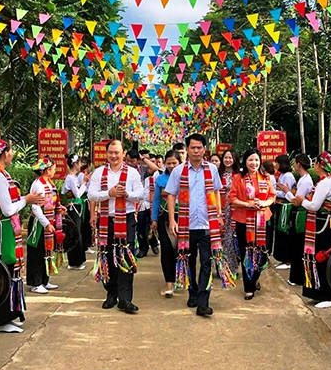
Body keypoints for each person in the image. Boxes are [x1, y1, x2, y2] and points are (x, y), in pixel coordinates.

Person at [166, 133, 234, 316]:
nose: (196, 151)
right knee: (188, 261)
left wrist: (218, 214)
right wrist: (172, 219)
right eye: (193, 147)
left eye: (199, 147)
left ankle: (203, 301)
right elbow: (171, 194)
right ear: (187, 149)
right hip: (186, 225)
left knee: (206, 262)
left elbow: (216, 191)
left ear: (204, 149)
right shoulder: (179, 171)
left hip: (206, 224)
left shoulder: (211, 169)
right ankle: (192, 292)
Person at [0, 138, 45, 333]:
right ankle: (1, 320)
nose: (12, 154)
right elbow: (8, 208)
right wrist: (27, 199)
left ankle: (10, 315)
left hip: (11, 228)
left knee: (12, 271)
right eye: (10, 151)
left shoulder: (4, 174)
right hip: (3, 229)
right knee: (4, 271)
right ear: (5, 153)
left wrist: (25, 200)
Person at [88, 140, 145, 313]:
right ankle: (111, 294)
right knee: (107, 257)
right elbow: (91, 194)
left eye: (117, 152)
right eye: (111, 152)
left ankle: (125, 298)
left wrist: (127, 194)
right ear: (106, 153)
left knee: (125, 257)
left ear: (123, 153)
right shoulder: (99, 172)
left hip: (126, 219)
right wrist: (109, 194)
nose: (114, 156)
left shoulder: (132, 173)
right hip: (106, 219)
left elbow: (141, 194)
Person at [291, 152, 331, 308]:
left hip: (321, 223)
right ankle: (317, 292)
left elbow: (314, 206)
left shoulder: (326, 182)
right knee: (313, 256)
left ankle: (327, 294)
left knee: (321, 257)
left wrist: (301, 201)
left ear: (320, 164)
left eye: (317, 162)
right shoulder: (325, 181)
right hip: (318, 222)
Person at [229, 148, 276, 300]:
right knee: (247, 253)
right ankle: (249, 287)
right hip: (244, 220)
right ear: (245, 161)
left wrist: (263, 203)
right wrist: (247, 205)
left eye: (256, 160)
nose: (253, 163)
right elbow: (232, 198)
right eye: (250, 160)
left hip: (263, 220)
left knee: (262, 253)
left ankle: (255, 277)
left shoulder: (265, 177)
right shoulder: (238, 178)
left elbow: (272, 196)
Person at [26, 156, 67, 294]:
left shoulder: (49, 183)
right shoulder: (38, 184)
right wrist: (46, 223)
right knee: (37, 252)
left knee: (47, 251)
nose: (55, 171)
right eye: (54, 169)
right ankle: (36, 282)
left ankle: (44, 280)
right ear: (47, 170)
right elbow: (35, 207)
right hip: (39, 223)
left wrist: (59, 209)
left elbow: (51, 203)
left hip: (48, 221)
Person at [281, 155, 315, 287]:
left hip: (302, 214)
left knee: (298, 246)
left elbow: (296, 201)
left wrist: (286, 192)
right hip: (300, 214)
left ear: (299, 164)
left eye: (295, 162)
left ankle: (298, 277)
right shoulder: (303, 179)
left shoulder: (305, 181)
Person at [151, 150, 181, 296]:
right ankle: (169, 283)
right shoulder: (160, 180)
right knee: (167, 249)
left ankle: (181, 278)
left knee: (182, 249)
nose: (171, 166)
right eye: (168, 163)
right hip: (164, 218)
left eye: (174, 163)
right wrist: (154, 219)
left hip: (184, 217)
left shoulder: (186, 177)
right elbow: (156, 200)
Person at [62, 153, 88, 269]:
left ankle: (78, 260)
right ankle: (74, 261)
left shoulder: (74, 178)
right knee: (74, 232)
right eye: (79, 163)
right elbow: (77, 194)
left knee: (78, 232)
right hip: (72, 207)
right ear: (75, 164)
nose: (80, 165)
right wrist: (84, 184)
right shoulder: (71, 178)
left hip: (77, 207)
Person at [219, 149, 241, 274]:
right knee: (221, 239)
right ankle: (222, 268)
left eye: (230, 158)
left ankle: (233, 268)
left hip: (235, 209)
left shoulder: (239, 175)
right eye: (226, 157)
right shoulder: (218, 173)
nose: (227, 160)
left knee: (232, 239)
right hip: (221, 210)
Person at [273, 155, 295, 270]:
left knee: (285, 231)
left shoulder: (288, 176)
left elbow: (286, 192)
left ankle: (288, 260)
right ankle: (282, 257)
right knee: (280, 231)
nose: (275, 165)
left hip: (286, 206)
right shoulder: (282, 175)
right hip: (280, 205)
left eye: (276, 163)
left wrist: (272, 192)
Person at [262, 160, 277, 255]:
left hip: (267, 206)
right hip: (266, 204)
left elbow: (272, 193)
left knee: (268, 228)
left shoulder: (269, 177)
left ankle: (267, 248)